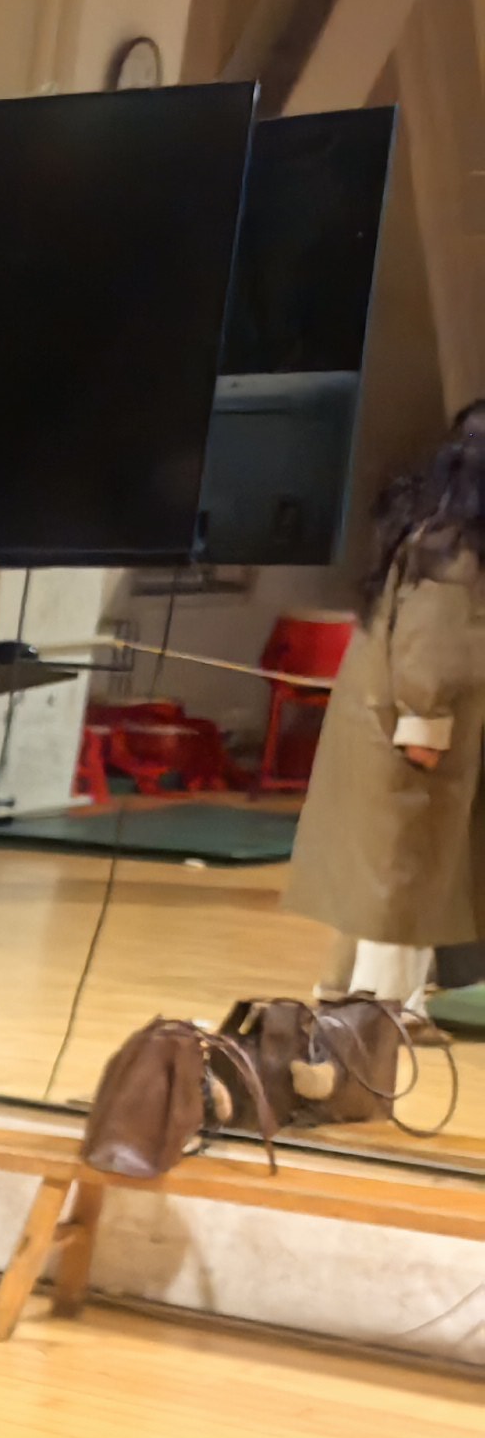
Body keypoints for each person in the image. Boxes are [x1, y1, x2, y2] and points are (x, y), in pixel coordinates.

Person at [287, 401, 485, 999]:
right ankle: (376, 1021)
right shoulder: (455, 549)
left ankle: (344, 1000)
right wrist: (426, 725)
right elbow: (430, 649)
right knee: (404, 886)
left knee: (383, 884)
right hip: (413, 738)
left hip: (387, 729)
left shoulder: (432, 529)